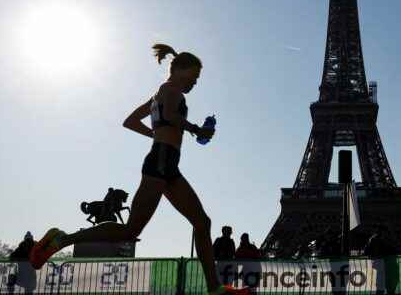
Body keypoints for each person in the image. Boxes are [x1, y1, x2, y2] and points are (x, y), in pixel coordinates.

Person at [28, 43, 248, 295]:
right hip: (162, 162)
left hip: (164, 161)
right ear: (179, 70)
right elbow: (171, 115)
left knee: (200, 222)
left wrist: (157, 135)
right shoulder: (173, 90)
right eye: (194, 77)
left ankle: (214, 287)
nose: (194, 83)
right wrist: (196, 129)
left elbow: (130, 121)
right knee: (136, 230)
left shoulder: (159, 93)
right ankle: (61, 239)